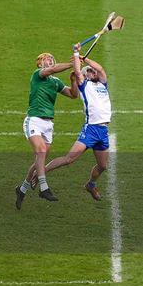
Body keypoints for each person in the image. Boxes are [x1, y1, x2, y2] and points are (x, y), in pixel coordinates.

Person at [15, 46, 81, 210]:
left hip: (48, 125)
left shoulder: (55, 81)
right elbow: (51, 70)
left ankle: (22, 189)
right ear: (40, 64)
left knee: (40, 159)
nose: (50, 60)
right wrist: (73, 64)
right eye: (46, 59)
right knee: (41, 152)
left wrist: (73, 80)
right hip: (34, 120)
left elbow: (73, 95)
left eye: (51, 58)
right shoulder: (38, 75)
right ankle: (44, 188)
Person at [41, 53, 112, 201]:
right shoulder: (84, 85)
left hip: (103, 131)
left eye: (93, 71)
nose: (93, 72)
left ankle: (91, 185)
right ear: (85, 76)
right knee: (69, 159)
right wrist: (76, 53)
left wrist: (85, 59)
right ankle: (42, 172)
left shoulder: (102, 84)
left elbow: (101, 69)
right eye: (90, 71)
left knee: (103, 166)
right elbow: (78, 73)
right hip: (91, 130)